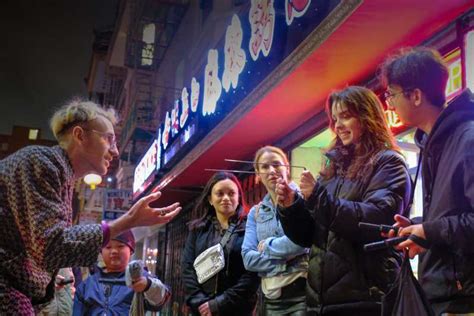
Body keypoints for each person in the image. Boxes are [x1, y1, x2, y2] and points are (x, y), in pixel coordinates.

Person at [0, 99, 181, 314]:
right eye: (109, 139)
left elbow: (43, 249)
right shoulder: (42, 162)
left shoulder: (60, 174)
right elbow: (52, 245)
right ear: (79, 135)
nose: (115, 151)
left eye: (120, 247)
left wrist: (48, 279)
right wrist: (129, 219)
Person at [275, 86, 411, 315]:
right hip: (320, 303)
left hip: (366, 299)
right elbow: (309, 236)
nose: (337, 126)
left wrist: (318, 197)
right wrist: (291, 206)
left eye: (346, 116)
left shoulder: (388, 163)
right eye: (335, 119)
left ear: (367, 117)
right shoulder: (333, 169)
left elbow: (376, 221)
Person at [380, 47, 474, 314]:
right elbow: (457, 215)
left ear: (416, 96)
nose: (390, 103)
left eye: (392, 94)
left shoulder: (467, 139)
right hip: (444, 294)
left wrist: (429, 231)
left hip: (463, 298)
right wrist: (420, 229)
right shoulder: (433, 144)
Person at [241, 145, 308, 315]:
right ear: (257, 175)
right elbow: (248, 259)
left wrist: (267, 246)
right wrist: (286, 259)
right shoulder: (255, 213)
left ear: (287, 167)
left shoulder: (305, 199)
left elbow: (301, 243)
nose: (271, 170)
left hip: (304, 293)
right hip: (271, 298)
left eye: (276, 164)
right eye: (264, 167)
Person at [181, 172, 259, 316]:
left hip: (238, 309)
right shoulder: (198, 230)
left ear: (238, 198)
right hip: (202, 310)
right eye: (220, 193)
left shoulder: (250, 228)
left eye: (231, 193)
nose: (226, 198)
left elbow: (253, 273)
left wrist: (219, 303)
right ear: (210, 199)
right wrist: (201, 303)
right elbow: (187, 268)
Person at [73, 230, 170, 314]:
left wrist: (148, 285)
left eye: (120, 246)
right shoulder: (88, 284)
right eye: (108, 247)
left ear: (131, 250)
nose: (114, 251)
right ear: (101, 251)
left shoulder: (140, 278)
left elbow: (161, 299)